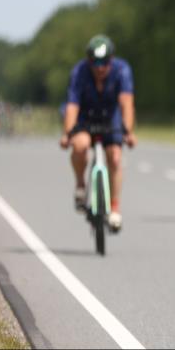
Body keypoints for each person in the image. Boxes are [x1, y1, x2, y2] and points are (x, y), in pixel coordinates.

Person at [59, 35, 136, 232]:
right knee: (80, 145)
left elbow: (126, 103)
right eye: (95, 62)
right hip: (86, 116)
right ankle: (80, 185)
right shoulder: (79, 72)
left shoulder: (122, 70)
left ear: (112, 59)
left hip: (111, 117)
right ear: (88, 60)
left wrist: (128, 131)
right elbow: (72, 106)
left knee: (116, 158)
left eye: (105, 62)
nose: (100, 67)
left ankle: (115, 207)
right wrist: (68, 134)